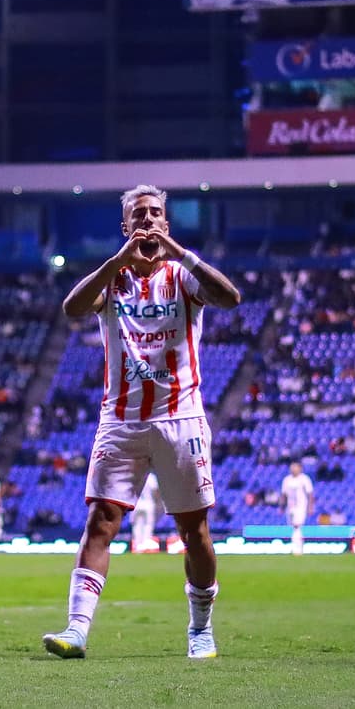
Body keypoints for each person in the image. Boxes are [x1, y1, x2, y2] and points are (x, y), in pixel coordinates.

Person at [42, 184, 242, 661]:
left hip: (181, 419)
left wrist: (178, 251)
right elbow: (72, 309)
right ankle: (77, 630)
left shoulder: (182, 274)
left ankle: (200, 630)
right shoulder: (112, 279)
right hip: (122, 420)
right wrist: (116, 260)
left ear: (167, 225)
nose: (149, 220)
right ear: (126, 226)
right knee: (100, 523)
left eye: (156, 214)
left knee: (193, 532)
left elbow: (230, 298)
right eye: (140, 215)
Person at [280, 461, 315, 556]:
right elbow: (283, 494)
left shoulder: (305, 479)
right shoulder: (287, 480)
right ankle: (296, 547)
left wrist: (310, 507)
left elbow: (310, 494)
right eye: (292, 467)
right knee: (293, 527)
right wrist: (282, 507)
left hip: (301, 506)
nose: (293, 469)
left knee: (297, 525)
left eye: (295, 467)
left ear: (300, 468)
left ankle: (298, 549)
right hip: (290, 507)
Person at [130, 472, 163, 552]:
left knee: (137, 525)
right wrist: (158, 503)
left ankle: (138, 546)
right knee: (148, 525)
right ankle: (145, 545)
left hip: (136, 503)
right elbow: (156, 491)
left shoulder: (135, 476)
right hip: (148, 503)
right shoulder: (151, 477)